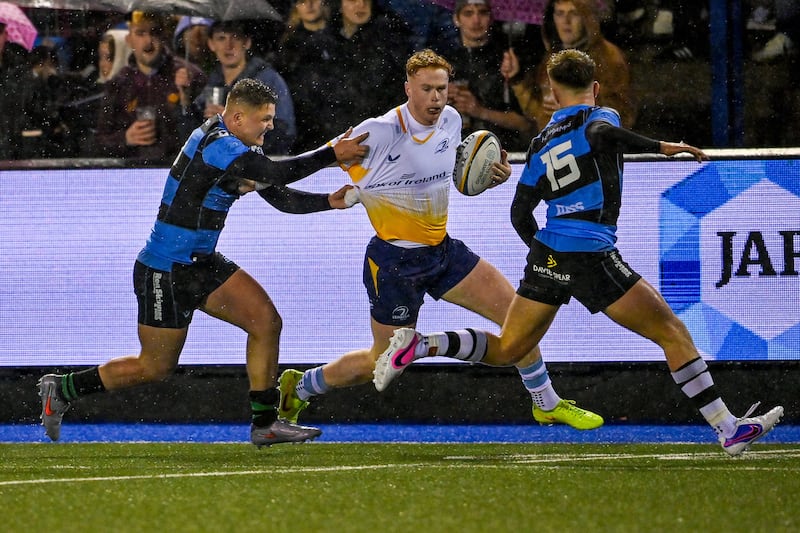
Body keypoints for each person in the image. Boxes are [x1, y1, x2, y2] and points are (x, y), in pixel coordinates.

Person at [376, 49, 784, 457]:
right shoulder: (599, 117)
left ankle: (424, 345)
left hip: (549, 253)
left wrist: (548, 258)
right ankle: (727, 428)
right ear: (596, 87)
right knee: (671, 332)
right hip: (591, 253)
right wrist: (662, 146)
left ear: (553, 93)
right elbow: (603, 136)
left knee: (510, 349)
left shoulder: (540, 144)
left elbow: (520, 214)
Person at [277, 49, 603, 432]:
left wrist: (488, 179)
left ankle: (546, 403)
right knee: (379, 362)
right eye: (426, 89)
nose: (436, 98)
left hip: (443, 252)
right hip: (393, 264)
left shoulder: (451, 120)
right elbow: (299, 166)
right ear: (407, 89)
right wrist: (284, 173)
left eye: (442, 89)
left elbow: (455, 180)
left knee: (518, 320)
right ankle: (300, 386)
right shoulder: (378, 132)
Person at [38, 78, 370, 446]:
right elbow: (276, 174)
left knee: (266, 322)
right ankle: (64, 388)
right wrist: (331, 153)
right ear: (238, 117)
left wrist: (328, 202)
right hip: (165, 269)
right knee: (155, 367)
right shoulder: (218, 144)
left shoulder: (239, 147)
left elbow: (279, 196)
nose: (270, 126)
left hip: (200, 264)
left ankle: (265, 424)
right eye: (265, 119)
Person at [501, 0, 637, 130]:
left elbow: (623, 117)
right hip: (554, 144)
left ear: (587, 18)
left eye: (574, 13)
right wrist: (517, 79)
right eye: (560, 13)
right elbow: (538, 113)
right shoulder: (552, 57)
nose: (566, 21)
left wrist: (572, 109)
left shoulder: (609, 57)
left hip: (587, 144)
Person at [94, 11, 207, 163]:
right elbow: (99, 141)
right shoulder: (119, 84)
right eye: (140, 33)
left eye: (155, 32)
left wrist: (186, 103)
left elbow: (207, 139)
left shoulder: (191, 76)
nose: (148, 41)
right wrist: (125, 138)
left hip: (175, 171)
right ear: (129, 40)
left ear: (164, 36)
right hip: (133, 172)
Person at [192, 20, 297, 155]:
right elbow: (192, 135)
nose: (228, 46)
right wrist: (184, 101)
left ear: (247, 42)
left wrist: (237, 125)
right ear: (211, 44)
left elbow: (283, 134)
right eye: (221, 38)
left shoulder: (268, 80)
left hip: (259, 164)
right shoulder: (212, 83)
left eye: (235, 37)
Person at [445, 0, 535, 152]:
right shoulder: (445, 63)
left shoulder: (508, 62)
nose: (476, 20)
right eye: (468, 13)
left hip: (505, 151)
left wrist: (480, 111)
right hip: (455, 151)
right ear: (456, 19)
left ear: (491, 18)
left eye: (482, 12)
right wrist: (440, 97)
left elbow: (527, 124)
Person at [329, 0, 412, 130]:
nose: (361, 4)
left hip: (383, 127)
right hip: (337, 128)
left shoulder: (390, 37)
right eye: (353, 0)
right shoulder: (325, 42)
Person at [275, 0, 343, 152]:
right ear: (296, 7)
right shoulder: (289, 46)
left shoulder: (341, 37)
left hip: (339, 118)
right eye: (302, 1)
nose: (309, 4)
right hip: (306, 126)